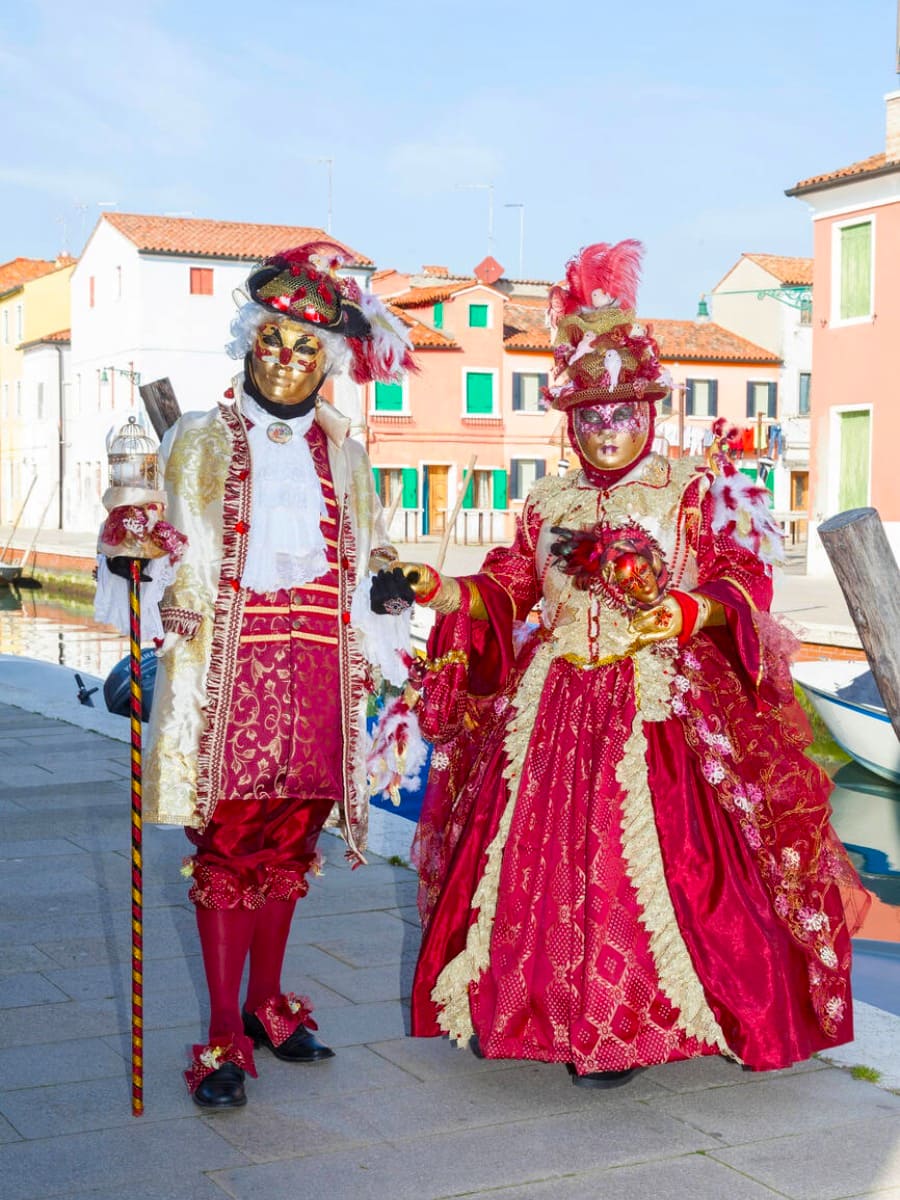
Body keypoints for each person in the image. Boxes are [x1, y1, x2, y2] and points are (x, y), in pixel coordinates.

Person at [371, 239, 869, 1088]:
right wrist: (439, 588)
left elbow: (739, 579)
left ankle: (640, 1018)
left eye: (623, 413)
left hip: (658, 708)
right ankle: (542, 1008)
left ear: (650, 410)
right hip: (557, 703)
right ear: (571, 422)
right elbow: (511, 586)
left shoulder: (689, 490)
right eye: (592, 417)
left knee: (660, 866)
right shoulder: (549, 502)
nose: (608, 431)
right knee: (543, 863)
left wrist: (678, 610)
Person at [143, 241, 415, 1108]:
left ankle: (268, 1004)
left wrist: (385, 588)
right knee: (228, 848)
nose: (290, 363)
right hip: (229, 672)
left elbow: (370, 542)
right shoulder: (197, 439)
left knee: (291, 844)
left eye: (308, 349)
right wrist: (133, 561)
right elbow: (160, 550)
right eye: (275, 342)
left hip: (321, 671)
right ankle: (224, 1032)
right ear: (249, 342)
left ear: (330, 360)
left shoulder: (348, 452)